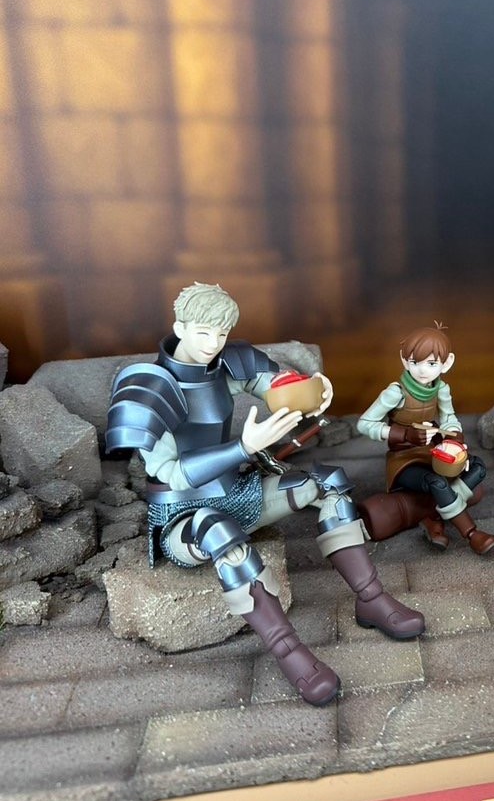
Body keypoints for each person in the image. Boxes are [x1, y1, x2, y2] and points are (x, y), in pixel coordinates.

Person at [107, 283, 424, 706]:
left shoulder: (224, 363)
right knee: (217, 530)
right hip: (184, 519)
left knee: (329, 483)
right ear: (179, 327)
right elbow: (171, 473)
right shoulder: (149, 388)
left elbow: (275, 383)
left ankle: (372, 600)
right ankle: (289, 652)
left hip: (237, 492)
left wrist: (311, 392)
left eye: (221, 333)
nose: (213, 344)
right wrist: (243, 447)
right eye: (203, 333)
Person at [357, 323, 494, 554]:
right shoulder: (396, 392)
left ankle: (434, 515)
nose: (422, 370)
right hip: (403, 460)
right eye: (414, 362)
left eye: (431, 364)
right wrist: (404, 434)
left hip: (432, 452)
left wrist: (455, 437)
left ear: (447, 363)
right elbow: (364, 423)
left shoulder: (441, 389)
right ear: (404, 361)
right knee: (437, 482)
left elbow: (448, 417)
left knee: (477, 467)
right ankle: (472, 534)